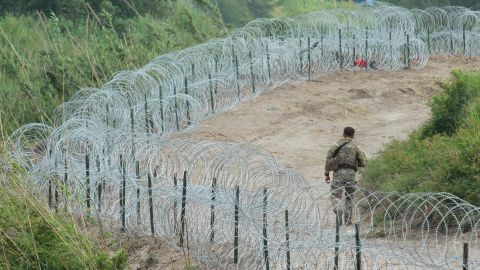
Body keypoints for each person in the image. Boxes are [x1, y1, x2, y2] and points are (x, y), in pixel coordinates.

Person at [324, 127, 367, 225]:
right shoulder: (356, 147)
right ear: (353, 135)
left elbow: (328, 160)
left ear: (343, 134)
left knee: (335, 195)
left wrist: (327, 174)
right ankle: (348, 221)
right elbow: (364, 162)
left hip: (338, 174)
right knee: (349, 197)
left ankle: (338, 208)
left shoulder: (335, 145)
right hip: (351, 174)